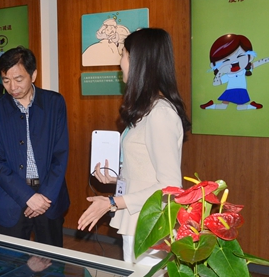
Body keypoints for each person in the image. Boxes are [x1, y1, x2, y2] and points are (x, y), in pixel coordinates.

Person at [77, 28, 190, 264]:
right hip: (139, 222)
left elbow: (169, 187)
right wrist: (117, 179)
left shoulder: (161, 114)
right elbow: (147, 173)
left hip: (150, 227)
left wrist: (111, 202)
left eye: (124, 55)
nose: (120, 63)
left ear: (140, 62)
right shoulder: (147, 110)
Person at [0, 46, 70, 247]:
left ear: (34, 75)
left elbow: (60, 154)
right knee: (10, 261)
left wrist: (44, 196)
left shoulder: (54, 103)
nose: (12, 87)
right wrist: (28, 196)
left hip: (49, 196)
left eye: (18, 79)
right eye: (6, 80)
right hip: (11, 197)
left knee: (51, 260)